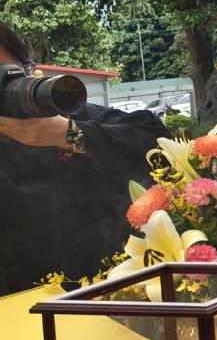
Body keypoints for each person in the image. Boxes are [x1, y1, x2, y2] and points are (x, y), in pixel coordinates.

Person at [0, 22, 167, 294]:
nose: (6, 91)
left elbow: (158, 144)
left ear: (29, 70)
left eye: (10, 76)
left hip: (113, 292)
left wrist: (72, 135)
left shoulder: (63, 116)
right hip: (19, 309)